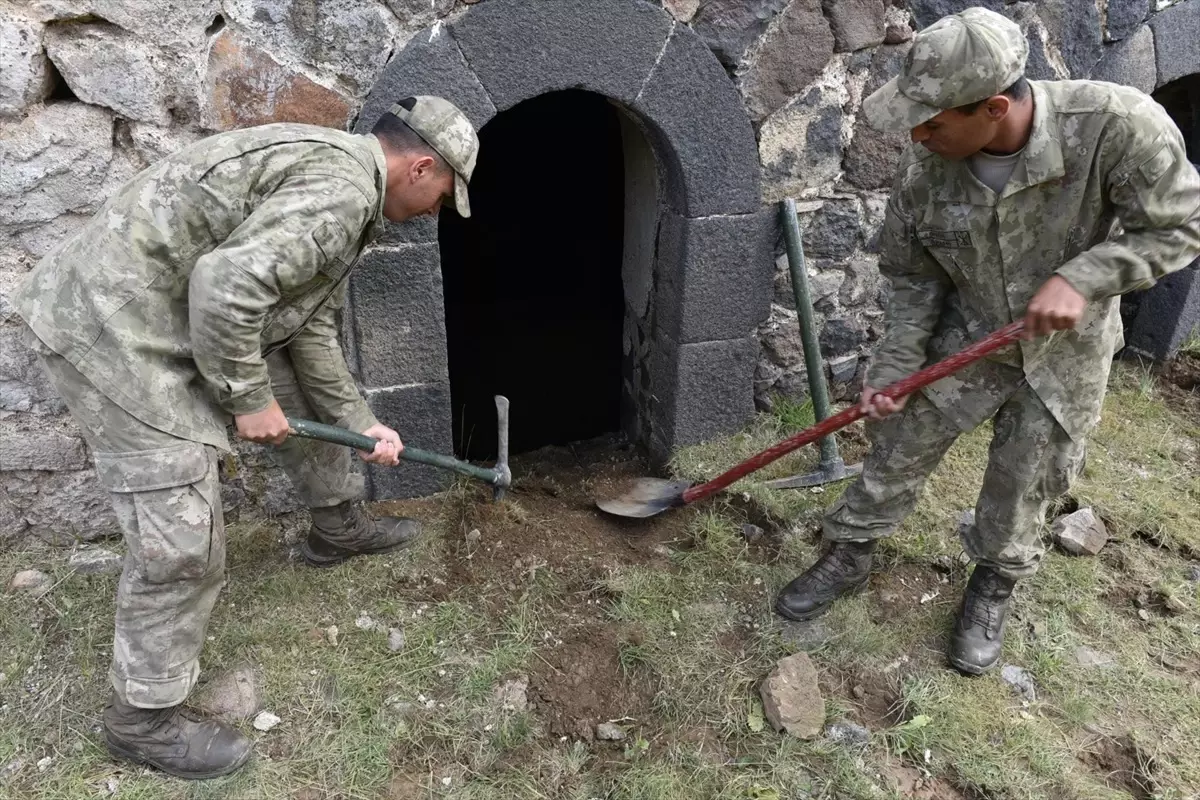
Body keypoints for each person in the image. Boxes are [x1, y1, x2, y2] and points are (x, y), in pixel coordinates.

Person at [12, 95, 480, 779]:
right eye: (445, 194)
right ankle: (139, 720)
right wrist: (246, 398)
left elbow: (307, 329)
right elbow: (226, 286)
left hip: (162, 315)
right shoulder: (341, 193)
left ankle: (336, 525)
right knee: (183, 538)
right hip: (114, 331)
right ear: (421, 166)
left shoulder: (346, 182)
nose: (439, 210)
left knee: (294, 380)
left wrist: (359, 423)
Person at [774, 8, 1200, 675]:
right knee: (898, 444)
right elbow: (915, 283)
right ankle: (851, 550)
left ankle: (994, 582)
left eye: (934, 121)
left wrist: (1084, 277)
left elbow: (1178, 228)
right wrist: (892, 366)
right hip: (968, 333)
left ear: (994, 107)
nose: (918, 134)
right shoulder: (924, 176)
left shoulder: (1117, 128)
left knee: (1028, 476)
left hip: (1067, 352)